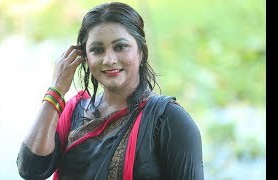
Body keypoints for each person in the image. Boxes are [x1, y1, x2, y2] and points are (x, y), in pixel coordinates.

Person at [16, 2, 204, 180]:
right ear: (85, 58)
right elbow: (31, 169)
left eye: (120, 47)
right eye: (97, 50)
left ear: (141, 52)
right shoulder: (75, 111)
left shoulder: (169, 119)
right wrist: (56, 90)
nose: (109, 59)